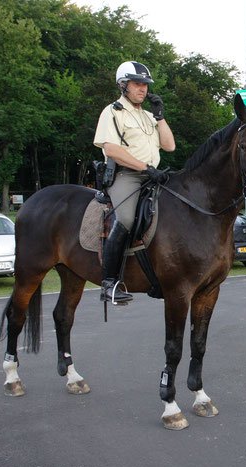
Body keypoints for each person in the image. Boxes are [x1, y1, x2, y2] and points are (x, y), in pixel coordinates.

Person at [93, 61, 176, 304]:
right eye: (137, 84)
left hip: (153, 175)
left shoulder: (149, 116)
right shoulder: (113, 112)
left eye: (145, 85)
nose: (143, 89)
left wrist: (160, 117)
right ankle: (109, 283)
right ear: (123, 85)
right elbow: (111, 149)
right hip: (126, 176)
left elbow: (170, 146)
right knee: (127, 218)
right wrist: (145, 168)